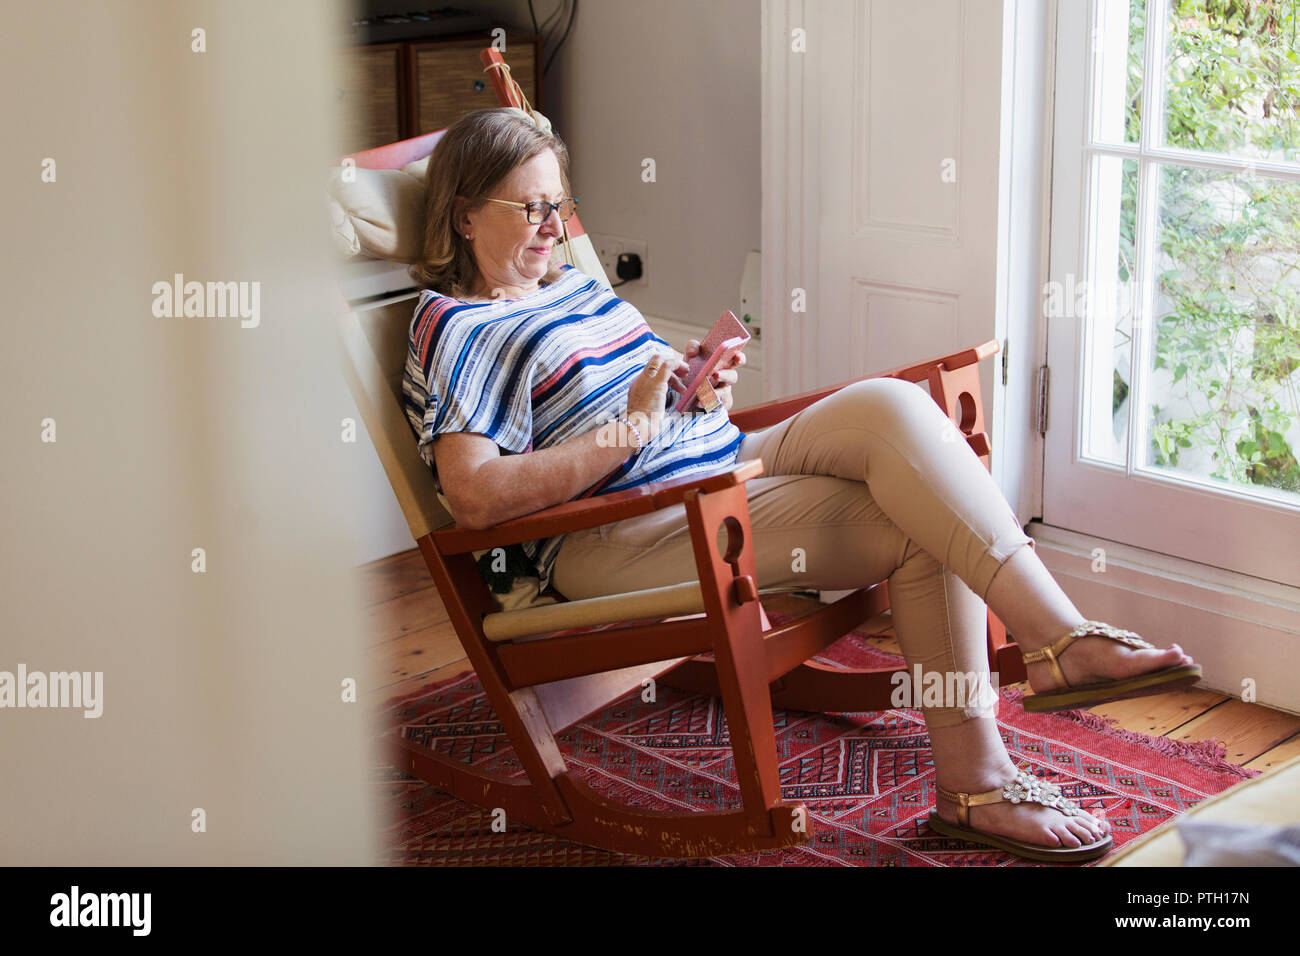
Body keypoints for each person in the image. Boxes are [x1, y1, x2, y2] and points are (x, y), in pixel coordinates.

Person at [402, 107, 1201, 863]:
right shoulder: (458, 328)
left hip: (718, 458)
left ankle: (1059, 638)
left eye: (559, 205)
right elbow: (474, 496)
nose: (553, 225)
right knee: (927, 522)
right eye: (530, 207)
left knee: (894, 407)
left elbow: (635, 399)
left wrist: (693, 388)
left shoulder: (569, 286)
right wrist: (636, 428)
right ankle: (981, 775)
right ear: (466, 214)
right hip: (620, 531)